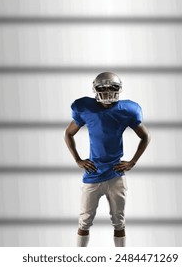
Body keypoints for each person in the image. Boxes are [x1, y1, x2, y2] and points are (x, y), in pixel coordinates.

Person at [64, 72, 151, 247]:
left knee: (119, 221)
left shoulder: (128, 110)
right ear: (95, 89)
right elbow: (68, 133)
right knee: (84, 221)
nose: (108, 92)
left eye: (112, 88)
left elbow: (145, 136)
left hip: (115, 173)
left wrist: (132, 162)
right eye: (103, 88)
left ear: (119, 89)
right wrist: (78, 160)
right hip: (93, 173)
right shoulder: (84, 107)